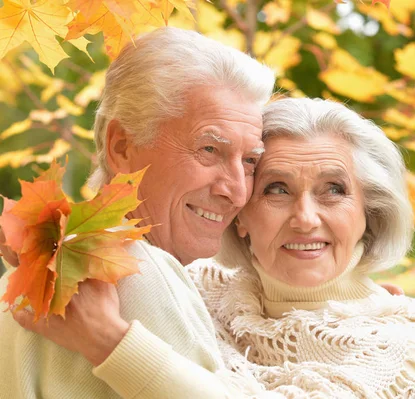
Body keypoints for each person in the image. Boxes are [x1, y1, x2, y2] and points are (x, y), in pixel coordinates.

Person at [14, 98, 415, 398]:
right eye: (276, 189)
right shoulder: (201, 289)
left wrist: (108, 342)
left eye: (333, 190)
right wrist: (30, 235)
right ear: (240, 215)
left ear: (370, 213)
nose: (305, 217)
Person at [0, 26, 276, 398]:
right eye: (209, 150)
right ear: (122, 148)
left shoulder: (19, 278)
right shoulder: (140, 268)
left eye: (249, 161)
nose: (238, 191)